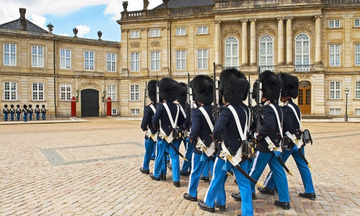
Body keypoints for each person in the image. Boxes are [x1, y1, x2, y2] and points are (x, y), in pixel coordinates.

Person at [198, 70, 253, 215]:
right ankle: (248, 212)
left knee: (217, 178)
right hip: (243, 151)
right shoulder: (247, 109)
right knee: (244, 184)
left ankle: (209, 202)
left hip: (227, 152)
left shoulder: (227, 111)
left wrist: (219, 138)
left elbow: (216, 130)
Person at [258, 73, 316, 200]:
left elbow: (286, 125)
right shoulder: (295, 107)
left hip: (288, 143)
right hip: (298, 142)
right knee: (303, 166)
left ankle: (269, 186)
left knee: (277, 165)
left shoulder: (286, 109)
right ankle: (310, 190)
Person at [248, 70, 290, 210]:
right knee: (279, 171)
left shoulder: (267, 109)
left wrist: (257, 134)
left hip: (266, 145)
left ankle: (247, 194)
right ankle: (284, 200)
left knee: (254, 170)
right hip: (275, 145)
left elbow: (269, 126)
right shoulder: (276, 107)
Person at [183, 75, 215, 203]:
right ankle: (219, 198)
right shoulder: (216, 109)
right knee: (215, 174)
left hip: (200, 146)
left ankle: (192, 193)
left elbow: (195, 130)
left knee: (195, 171)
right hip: (213, 146)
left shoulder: (197, 112)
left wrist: (191, 137)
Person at [151, 78, 184, 187]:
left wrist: (156, 128)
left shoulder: (161, 106)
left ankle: (157, 174)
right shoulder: (178, 107)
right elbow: (181, 122)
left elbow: (154, 119)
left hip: (163, 134)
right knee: (174, 156)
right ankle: (176, 179)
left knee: (160, 155)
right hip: (174, 135)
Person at [140, 80, 158, 175]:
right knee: (160, 154)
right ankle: (161, 170)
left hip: (151, 133)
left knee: (148, 152)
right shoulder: (162, 106)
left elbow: (144, 123)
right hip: (162, 134)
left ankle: (145, 167)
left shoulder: (149, 108)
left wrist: (144, 127)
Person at [178, 82, 192, 176]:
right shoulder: (189, 107)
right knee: (189, 151)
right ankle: (188, 167)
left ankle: (184, 168)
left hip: (180, 130)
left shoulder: (177, 107)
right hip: (187, 129)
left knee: (174, 151)